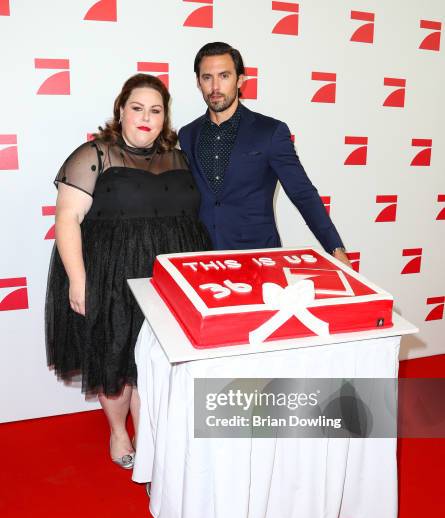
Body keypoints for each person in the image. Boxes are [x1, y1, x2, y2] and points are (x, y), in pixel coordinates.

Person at [45, 74, 212, 469]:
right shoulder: (94, 154)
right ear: (121, 110)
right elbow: (67, 219)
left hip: (170, 281)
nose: (145, 117)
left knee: (156, 362)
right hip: (113, 277)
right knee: (116, 359)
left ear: (164, 118)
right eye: (137, 108)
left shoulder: (181, 156)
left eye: (155, 111)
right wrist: (79, 280)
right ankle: (119, 431)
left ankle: (152, 436)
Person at [179, 42, 350, 266]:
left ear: (240, 80)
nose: (215, 87)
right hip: (202, 258)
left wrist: (336, 250)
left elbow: (303, 194)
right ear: (198, 82)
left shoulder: (270, 132)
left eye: (224, 76)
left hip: (259, 258)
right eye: (207, 77)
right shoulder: (187, 134)